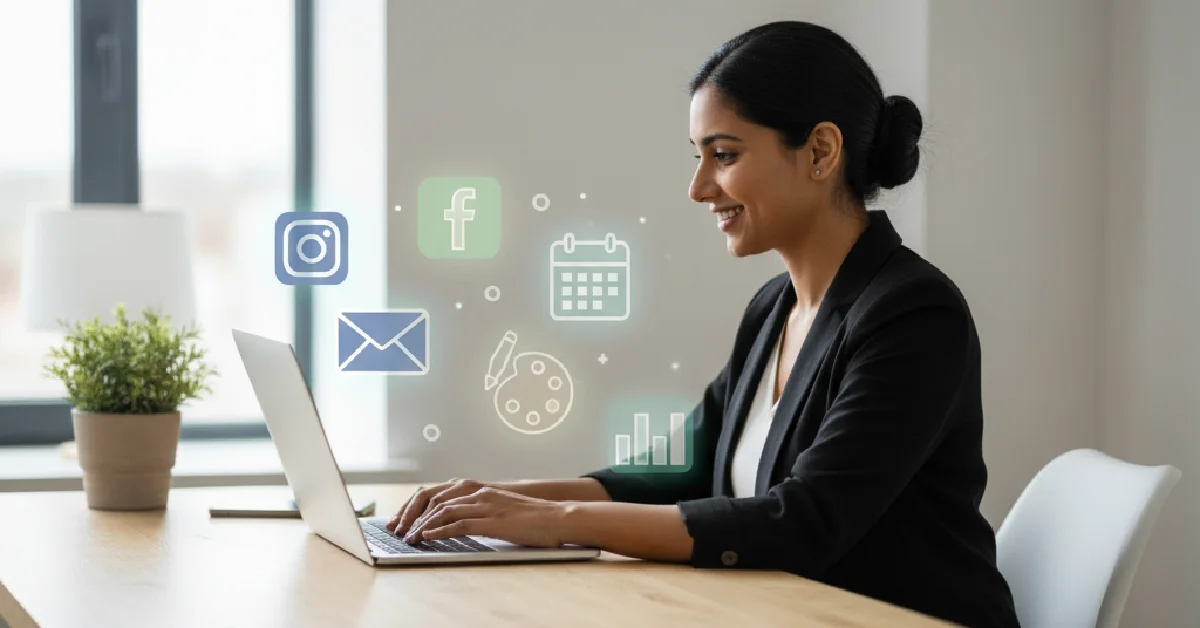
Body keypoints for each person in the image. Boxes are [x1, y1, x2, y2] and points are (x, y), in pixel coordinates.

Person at [386, 20, 1021, 628]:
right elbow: (683, 469)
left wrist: (557, 522)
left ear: (821, 151)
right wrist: (500, 500)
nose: (698, 188)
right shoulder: (774, 307)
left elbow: (803, 520)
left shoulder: (913, 314)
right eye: (699, 156)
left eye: (723, 155)